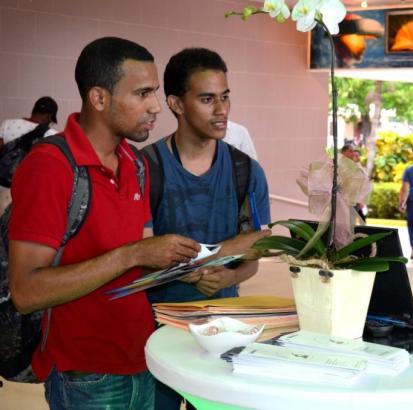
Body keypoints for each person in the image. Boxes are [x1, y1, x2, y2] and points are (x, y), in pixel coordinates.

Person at [8, 37, 267, 409]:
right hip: (86, 375)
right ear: (99, 98)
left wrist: (189, 263)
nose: (156, 107)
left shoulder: (134, 164)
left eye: (156, 93)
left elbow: (141, 262)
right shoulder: (50, 165)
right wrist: (134, 254)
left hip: (146, 360)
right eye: (143, 94)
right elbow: (26, 291)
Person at [143, 47, 271, 410]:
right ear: (176, 103)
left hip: (223, 339)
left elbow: (256, 253)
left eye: (226, 97)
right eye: (207, 99)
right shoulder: (145, 169)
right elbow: (135, 255)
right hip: (156, 337)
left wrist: (228, 279)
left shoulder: (246, 171)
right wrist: (216, 255)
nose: (222, 110)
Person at [0, 97, 59, 211]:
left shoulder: (7, 124)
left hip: (3, 188)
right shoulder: (51, 135)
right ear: (49, 116)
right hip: (27, 192)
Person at [341, 142, 367, 222]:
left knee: (351, 223)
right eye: (350, 151)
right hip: (343, 200)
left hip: (354, 200)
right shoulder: (342, 165)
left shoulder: (357, 167)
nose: (353, 154)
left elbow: (363, 182)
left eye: (353, 151)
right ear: (343, 152)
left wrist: (361, 200)